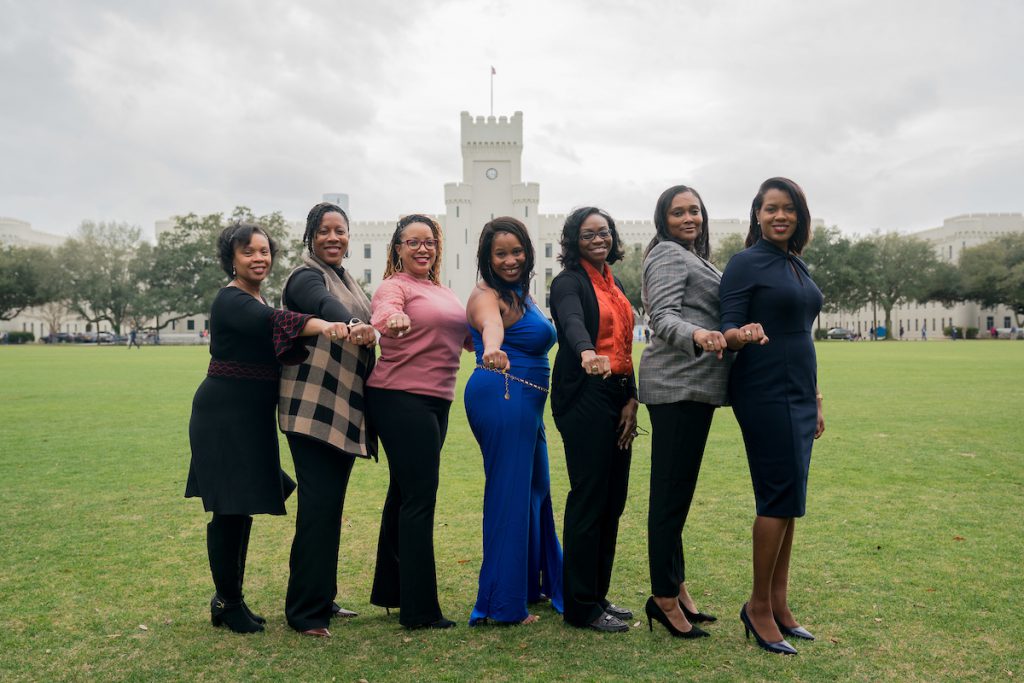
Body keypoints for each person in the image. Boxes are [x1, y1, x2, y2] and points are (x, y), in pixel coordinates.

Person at [185, 222, 350, 634]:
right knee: (228, 508)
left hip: (252, 417)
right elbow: (277, 321)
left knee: (240, 509)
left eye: (264, 251)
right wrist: (325, 325)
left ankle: (230, 598)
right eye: (248, 252)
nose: (258, 258)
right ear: (232, 260)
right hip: (223, 415)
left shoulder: (254, 296)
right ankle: (227, 600)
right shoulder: (232, 301)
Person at [719, 178, 825, 655]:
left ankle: (780, 605)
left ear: (799, 217)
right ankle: (758, 607)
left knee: (790, 500)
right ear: (757, 215)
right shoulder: (745, 263)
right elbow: (728, 325)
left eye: (788, 210)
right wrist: (742, 333)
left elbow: (801, 334)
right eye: (770, 209)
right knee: (776, 497)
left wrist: (816, 398)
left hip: (800, 391)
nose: (779, 216)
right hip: (763, 389)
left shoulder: (795, 264)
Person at [277, 202, 379, 637]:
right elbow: (319, 304)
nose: (334, 238)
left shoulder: (345, 277)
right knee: (318, 508)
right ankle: (304, 613)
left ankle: (322, 595)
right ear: (310, 237)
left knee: (329, 509)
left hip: (342, 408)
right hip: (312, 408)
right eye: (324, 231)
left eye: (341, 231)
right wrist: (353, 321)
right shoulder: (305, 276)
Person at [366, 214, 469, 630]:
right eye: (413, 242)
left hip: (437, 400)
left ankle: (392, 591)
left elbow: (466, 338)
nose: (423, 248)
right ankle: (420, 609)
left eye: (429, 242)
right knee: (420, 497)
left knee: (404, 493)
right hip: (399, 397)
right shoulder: (395, 286)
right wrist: (393, 319)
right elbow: (384, 313)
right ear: (398, 248)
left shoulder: (442, 292)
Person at [640, 185, 730, 640]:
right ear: (664, 219)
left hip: (695, 388)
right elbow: (663, 316)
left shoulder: (693, 255)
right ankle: (662, 597)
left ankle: (676, 586)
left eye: (695, 210)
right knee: (670, 496)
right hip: (676, 385)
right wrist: (699, 335)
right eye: (678, 212)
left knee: (679, 494)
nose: (688, 218)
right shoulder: (669, 255)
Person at [465, 217, 563, 626]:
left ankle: (529, 584)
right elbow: (490, 326)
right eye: (500, 253)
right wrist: (492, 348)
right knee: (510, 494)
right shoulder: (487, 295)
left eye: (517, 251)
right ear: (487, 258)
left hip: (527, 403)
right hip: (503, 392)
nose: (510, 260)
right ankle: (504, 606)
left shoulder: (522, 293)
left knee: (535, 488)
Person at [549, 207, 638, 633]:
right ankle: (580, 606)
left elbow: (623, 342)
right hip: (585, 394)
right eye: (588, 235)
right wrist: (586, 351)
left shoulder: (613, 283)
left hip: (617, 395)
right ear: (574, 240)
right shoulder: (569, 281)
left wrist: (632, 397)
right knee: (589, 497)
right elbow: (570, 321)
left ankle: (597, 595)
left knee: (612, 500)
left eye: (604, 232)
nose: (599, 239)